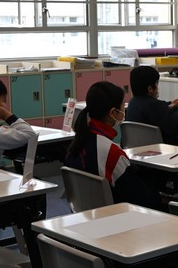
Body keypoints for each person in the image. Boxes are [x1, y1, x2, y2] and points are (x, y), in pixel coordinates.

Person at [64, 81, 163, 210]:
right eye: (123, 106)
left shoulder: (77, 143)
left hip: (85, 216)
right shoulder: (111, 152)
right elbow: (141, 198)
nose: (124, 110)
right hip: (116, 216)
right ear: (113, 113)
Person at [124, 65, 178, 146]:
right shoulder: (154, 105)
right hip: (160, 149)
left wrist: (169, 105)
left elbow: (157, 110)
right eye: (157, 84)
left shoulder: (133, 103)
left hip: (137, 149)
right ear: (150, 89)